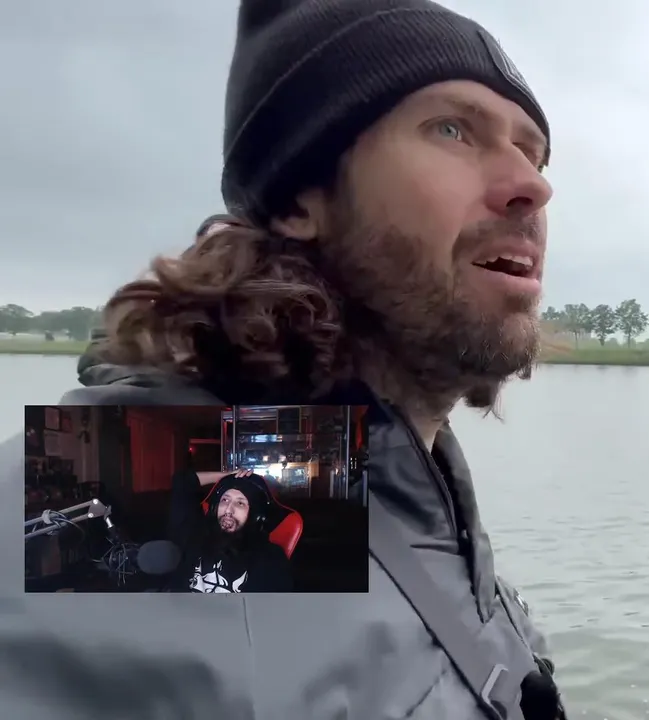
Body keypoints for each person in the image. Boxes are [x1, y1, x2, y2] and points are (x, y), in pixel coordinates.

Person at [0, 1, 565, 718]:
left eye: (533, 152)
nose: (533, 185)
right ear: (302, 197)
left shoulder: (394, 488)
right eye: (452, 129)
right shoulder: (132, 492)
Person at [165, 468, 293, 593]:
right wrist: (226, 476)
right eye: (225, 500)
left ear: (256, 515)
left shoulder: (270, 558)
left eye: (240, 503)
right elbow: (183, 481)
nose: (228, 510)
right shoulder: (196, 534)